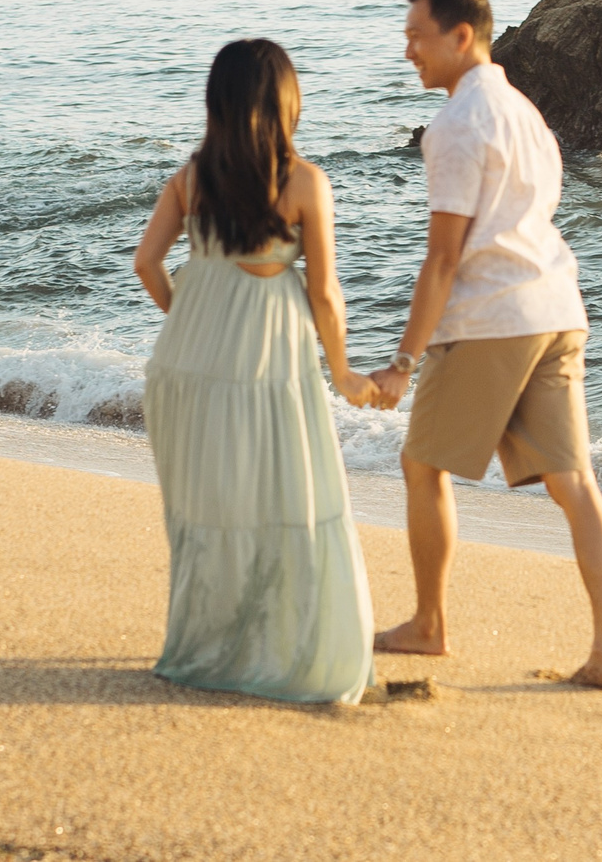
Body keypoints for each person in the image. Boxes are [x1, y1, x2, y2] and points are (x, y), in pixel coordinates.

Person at [367, 0, 602, 691]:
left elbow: (445, 256)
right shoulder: (524, 113)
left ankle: (428, 624)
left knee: (422, 466)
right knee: (576, 484)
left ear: (461, 36)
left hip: (491, 318)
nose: (408, 50)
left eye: (417, 35)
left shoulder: (455, 125)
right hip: (557, 307)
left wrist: (402, 360)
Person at [132, 38, 380, 704]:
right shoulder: (302, 181)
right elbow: (324, 292)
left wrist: (191, 317)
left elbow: (147, 264)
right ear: (285, 102)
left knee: (207, 513)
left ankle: (204, 649)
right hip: (267, 364)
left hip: (183, 365)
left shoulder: (189, 177)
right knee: (289, 502)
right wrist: (346, 373)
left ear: (218, 102)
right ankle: (284, 651)